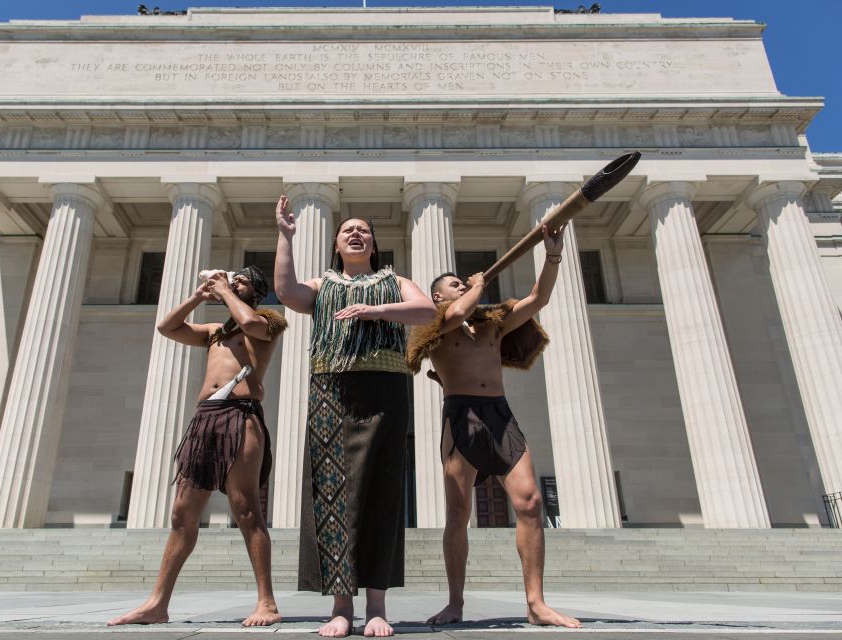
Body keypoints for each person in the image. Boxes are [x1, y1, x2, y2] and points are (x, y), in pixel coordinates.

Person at [274, 194, 436, 638]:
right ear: (337, 245)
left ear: (373, 243)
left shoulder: (394, 281)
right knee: (330, 494)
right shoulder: (323, 285)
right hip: (331, 390)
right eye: (348, 230)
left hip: (384, 390)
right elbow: (287, 293)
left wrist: (375, 310)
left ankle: (377, 605)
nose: (356, 233)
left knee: (382, 493)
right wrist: (285, 238)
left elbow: (428, 310)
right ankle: (341, 606)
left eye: (363, 229)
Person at [406, 225, 581, 629]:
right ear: (438, 295)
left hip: (499, 414)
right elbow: (457, 314)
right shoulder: (435, 323)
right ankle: (455, 603)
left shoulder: (492, 324)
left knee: (530, 502)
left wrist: (552, 256)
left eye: (462, 281)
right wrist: (478, 285)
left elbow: (538, 298)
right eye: (454, 282)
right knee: (458, 511)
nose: (461, 283)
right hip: (460, 416)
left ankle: (536, 603)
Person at [108, 266, 287, 628]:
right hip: (206, 417)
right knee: (181, 513)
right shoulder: (214, 333)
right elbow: (167, 328)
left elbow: (250, 324)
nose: (233, 283)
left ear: (257, 291)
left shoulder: (267, 323)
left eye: (242, 281)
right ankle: (158, 603)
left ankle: (266, 601)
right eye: (232, 279)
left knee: (246, 510)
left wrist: (227, 291)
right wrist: (197, 297)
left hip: (242, 415)